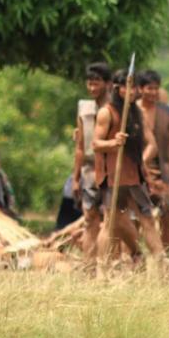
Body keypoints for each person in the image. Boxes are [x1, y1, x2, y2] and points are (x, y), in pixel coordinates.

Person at [93, 71, 165, 267]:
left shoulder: (137, 113)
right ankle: (102, 270)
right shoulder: (106, 112)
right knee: (110, 223)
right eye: (128, 86)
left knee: (148, 220)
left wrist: (139, 161)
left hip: (135, 177)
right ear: (118, 88)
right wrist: (113, 143)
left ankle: (163, 265)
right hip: (113, 177)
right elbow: (96, 144)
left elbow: (152, 145)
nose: (132, 91)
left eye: (134, 87)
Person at [136, 70, 169, 253]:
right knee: (135, 216)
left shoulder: (166, 112)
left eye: (156, 88)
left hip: (164, 171)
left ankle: (166, 258)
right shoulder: (132, 111)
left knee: (166, 215)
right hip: (138, 170)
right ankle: (133, 257)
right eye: (149, 88)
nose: (153, 92)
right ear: (140, 89)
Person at [72, 62, 112, 268]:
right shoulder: (84, 109)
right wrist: (76, 178)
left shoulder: (116, 109)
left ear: (107, 84)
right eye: (90, 83)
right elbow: (80, 147)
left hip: (111, 169)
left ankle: (107, 264)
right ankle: (89, 265)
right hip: (89, 170)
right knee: (89, 219)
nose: (92, 88)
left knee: (112, 219)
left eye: (97, 83)